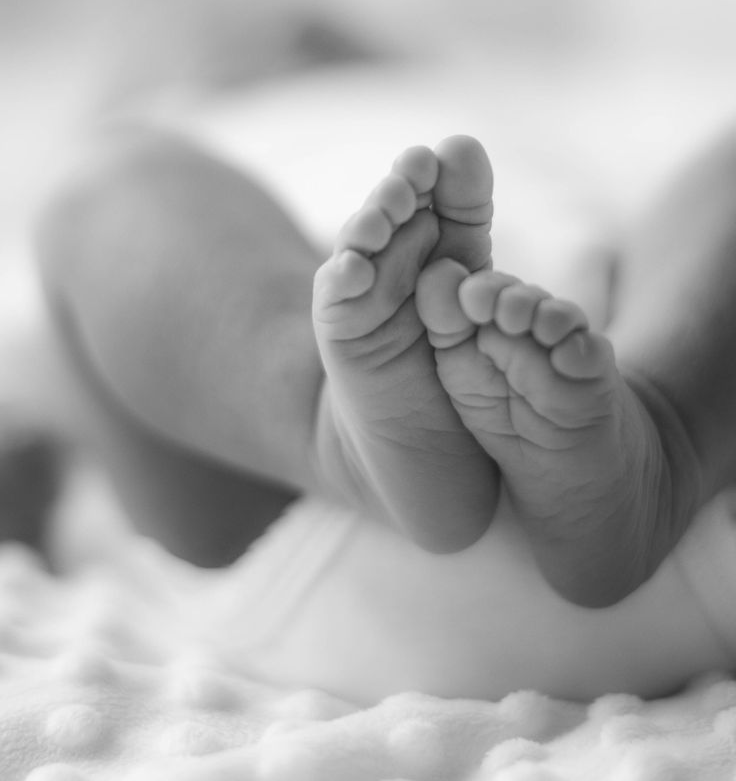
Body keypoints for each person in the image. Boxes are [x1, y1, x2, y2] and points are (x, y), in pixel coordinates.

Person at [34, 123, 736, 702]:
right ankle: (666, 428)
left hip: (307, 544)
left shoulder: (529, 133)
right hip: (680, 536)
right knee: (105, 175)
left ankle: (659, 430)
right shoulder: (208, 122)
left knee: (107, 195)